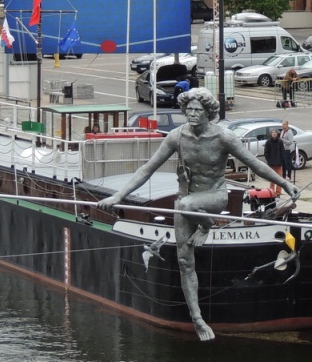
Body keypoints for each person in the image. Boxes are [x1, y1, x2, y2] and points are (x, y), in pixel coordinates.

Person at [97, 87, 299, 341]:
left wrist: (284, 183)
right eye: (188, 110)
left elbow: (255, 163)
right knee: (184, 261)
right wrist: (117, 197)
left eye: (197, 110)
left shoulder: (224, 138)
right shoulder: (176, 137)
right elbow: (146, 170)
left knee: (185, 205)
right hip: (187, 202)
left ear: (208, 113)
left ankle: (207, 225)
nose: (191, 114)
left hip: (213, 198)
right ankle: (198, 319)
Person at [264, 129, 286, 196]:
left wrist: (282, 160)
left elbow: (282, 152)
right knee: (272, 178)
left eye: (275, 132)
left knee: (279, 178)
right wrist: (269, 160)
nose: (274, 133)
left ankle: (278, 192)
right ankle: (272, 191)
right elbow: (266, 153)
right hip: (271, 163)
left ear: (277, 133)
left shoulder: (280, 141)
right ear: (271, 134)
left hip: (279, 163)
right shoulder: (268, 142)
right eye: (273, 132)